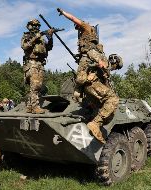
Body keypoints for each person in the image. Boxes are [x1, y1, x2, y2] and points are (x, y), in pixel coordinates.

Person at [57, 8, 123, 143]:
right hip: (91, 85)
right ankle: (95, 123)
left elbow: (74, 20)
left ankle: (94, 124)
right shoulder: (92, 51)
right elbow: (74, 20)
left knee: (108, 112)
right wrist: (63, 13)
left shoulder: (89, 42)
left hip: (88, 87)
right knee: (113, 100)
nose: (77, 28)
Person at [21, 19, 53, 114]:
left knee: (38, 87)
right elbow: (25, 46)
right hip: (32, 63)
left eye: (37, 26)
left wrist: (50, 37)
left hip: (40, 64)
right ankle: (35, 107)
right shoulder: (26, 36)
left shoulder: (42, 39)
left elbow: (49, 48)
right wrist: (35, 38)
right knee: (35, 86)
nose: (36, 27)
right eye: (33, 25)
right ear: (29, 26)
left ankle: (30, 106)